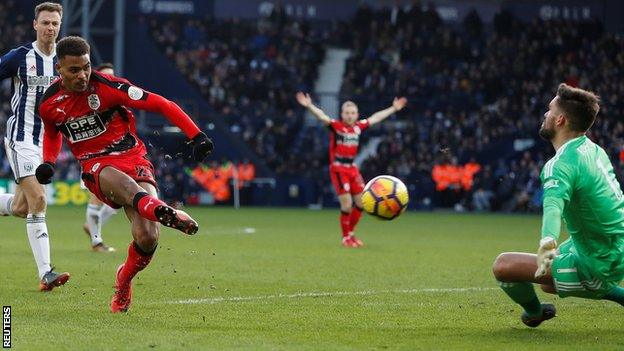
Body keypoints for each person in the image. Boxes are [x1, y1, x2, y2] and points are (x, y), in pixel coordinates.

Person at [36, 36, 213, 313]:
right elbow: (51, 133)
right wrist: (48, 161)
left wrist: (196, 135)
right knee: (129, 189)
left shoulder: (108, 87)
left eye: (86, 67)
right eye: (74, 70)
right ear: (59, 68)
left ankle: (123, 280)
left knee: (147, 236)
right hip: (95, 164)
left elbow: (162, 104)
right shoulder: (49, 103)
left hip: (132, 156)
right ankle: (166, 211)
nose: (82, 75)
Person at [492, 83, 624, 327]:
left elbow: (553, 206)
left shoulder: (560, 165)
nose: (545, 114)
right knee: (545, 282)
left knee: (503, 266)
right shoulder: (594, 150)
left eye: (549, 110)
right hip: (613, 244)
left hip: (599, 262)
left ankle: (533, 313)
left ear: (560, 120)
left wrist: (548, 241)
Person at [0, 2, 70, 291]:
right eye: (45, 23)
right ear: (35, 25)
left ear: (59, 26)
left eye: (54, 23)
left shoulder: (65, 60)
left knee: (20, 207)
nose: (50, 28)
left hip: (47, 142)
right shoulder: (20, 57)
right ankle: (46, 274)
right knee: (39, 200)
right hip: (21, 138)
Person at [296, 92, 407, 247]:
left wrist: (393, 109)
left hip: (352, 168)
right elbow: (322, 117)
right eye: (347, 113)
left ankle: (351, 234)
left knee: (361, 203)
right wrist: (309, 106)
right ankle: (345, 237)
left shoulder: (358, 127)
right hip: (338, 168)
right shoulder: (337, 127)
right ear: (342, 114)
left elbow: (375, 118)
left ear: (357, 115)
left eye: (352, 113)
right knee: (347, 205)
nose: (349, 115)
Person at [81, 62, 117, 253]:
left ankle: (92, 226)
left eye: (112, 76)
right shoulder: (88, 99)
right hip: (93, 156)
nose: (109, 79)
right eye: (105, 76)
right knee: (96, 198)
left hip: (116, 153)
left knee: (117, 201)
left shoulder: (116, 98)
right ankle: (97, 243)